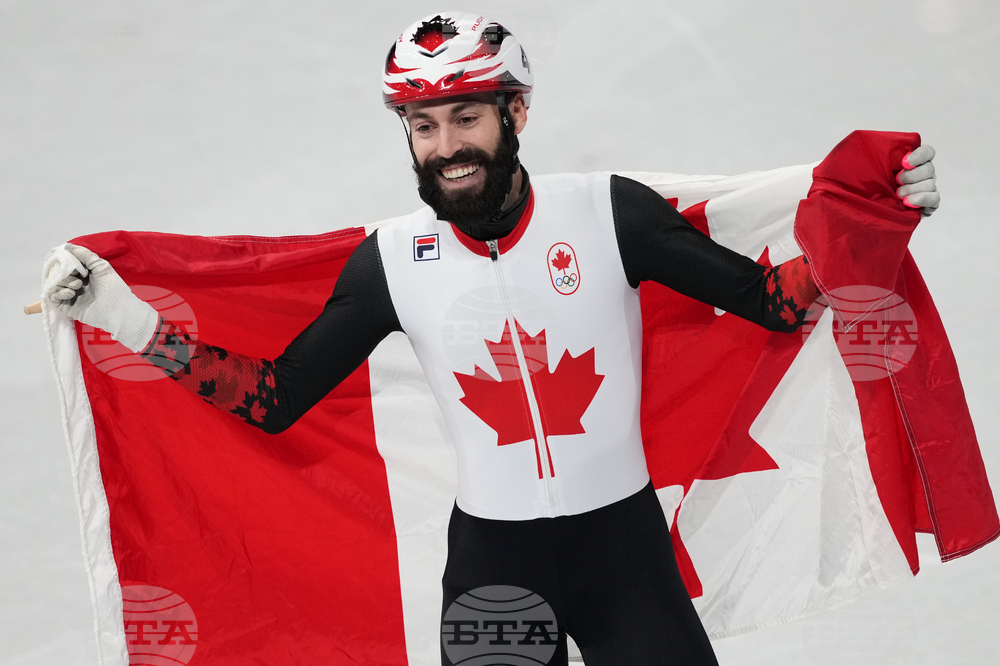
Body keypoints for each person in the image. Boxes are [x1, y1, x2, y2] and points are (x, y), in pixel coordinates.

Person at [43, 11, 941, 666]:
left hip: (624, 556)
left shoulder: (608, 214)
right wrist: (134, 328)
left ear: (516, 115)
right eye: (423, 127)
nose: (445, 148)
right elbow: (276, 401)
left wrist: (876, 219)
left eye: (466, 118)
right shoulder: (392, 260)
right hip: (495, 573)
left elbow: (777, 304)